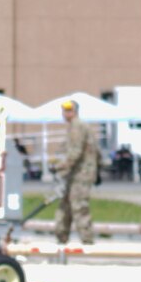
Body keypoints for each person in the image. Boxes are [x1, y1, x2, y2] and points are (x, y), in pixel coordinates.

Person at [55, 99, 100, 243]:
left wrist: (61, 166)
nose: (66, 113)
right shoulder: (78, 126)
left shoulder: (77, 126)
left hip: (80, 175)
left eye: (69, 110)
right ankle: (62, 239)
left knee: (79, 207)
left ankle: (87, 242)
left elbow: (76, 151)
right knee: (65, 207)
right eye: (64, 110)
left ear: (75, 112)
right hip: (76, 174)